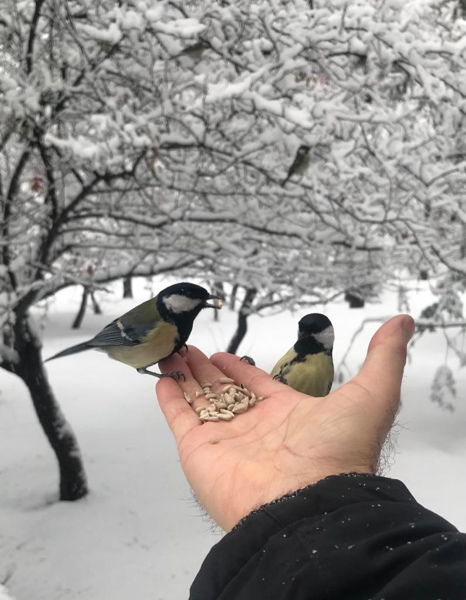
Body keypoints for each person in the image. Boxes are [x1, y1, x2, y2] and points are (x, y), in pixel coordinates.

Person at [156, 315, 466, 599]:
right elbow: (274, 387)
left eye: (312, 333)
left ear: (326, 338)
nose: (305, 337)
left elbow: (302, 401)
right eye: (303, 332)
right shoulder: (294, 354)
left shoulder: (323, 367)